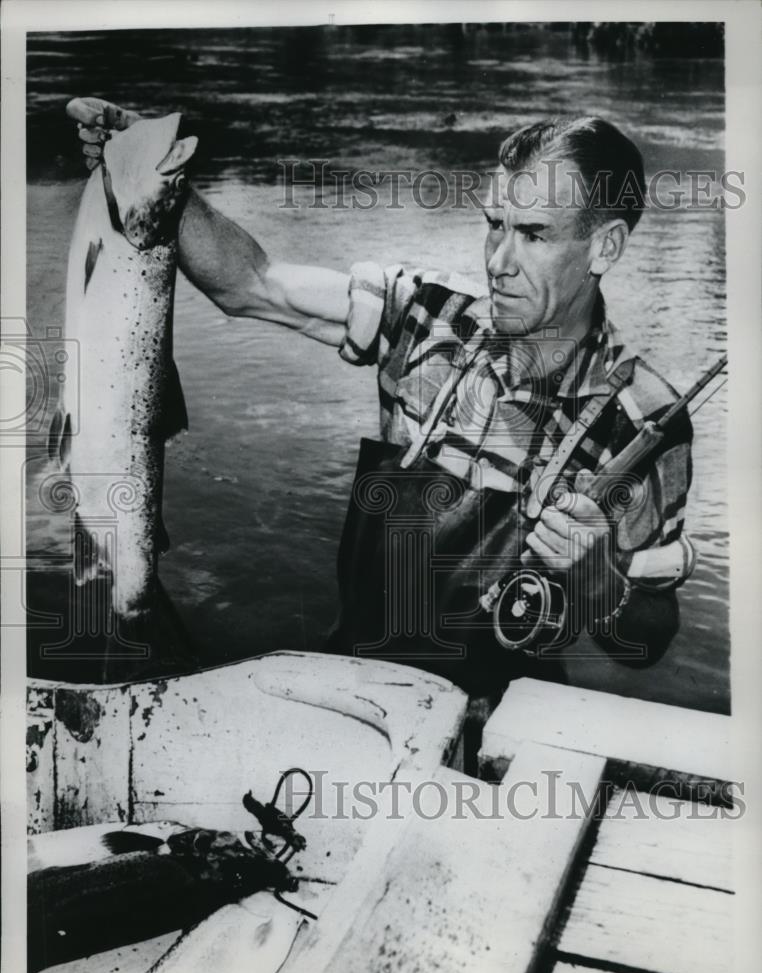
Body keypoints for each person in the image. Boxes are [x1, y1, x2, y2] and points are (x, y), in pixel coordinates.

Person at [67, 99, 695, 710]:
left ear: (604, 247)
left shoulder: (641, 420)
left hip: (487, 729)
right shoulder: (427, 319)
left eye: (534, 235)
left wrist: (597, 580)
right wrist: (150, 180)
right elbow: (251, 283)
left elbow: (648, 638)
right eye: (495, 225)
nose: (500, 261)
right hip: (354, 694)